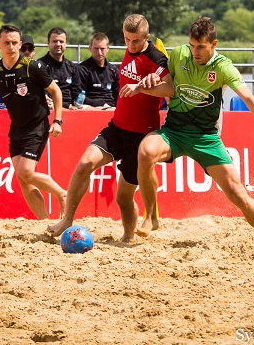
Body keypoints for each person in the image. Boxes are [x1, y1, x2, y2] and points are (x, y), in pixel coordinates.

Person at [121, 16, 254, 247]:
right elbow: (164, 80)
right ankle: (151, 217)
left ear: (214, 44)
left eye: (200, 47)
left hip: (206, 138)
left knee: (238, 194)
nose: (195, 51)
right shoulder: (180, 54)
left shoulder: (223, 66)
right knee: (146, 151)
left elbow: (248, 98)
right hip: (174, 131)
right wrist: (149, 79)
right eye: (192, 45)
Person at [47, 15, 174, 242]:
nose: (131, 46)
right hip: (117, 127)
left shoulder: (156, 57)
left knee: (123, 199)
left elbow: (170, 90)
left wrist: (141, 88)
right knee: (85, 163)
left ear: (147, 37)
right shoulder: (129, 48)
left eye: (136, 41)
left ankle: (130, 235)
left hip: (142, 136)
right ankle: (67, 219)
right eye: (127, 40)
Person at [0, 24, 67, 219]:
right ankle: (44, 222)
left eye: (14, 43)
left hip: (37, 124)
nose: (11, 47)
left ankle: (63, 194)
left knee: (26, 172)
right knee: (23, 179)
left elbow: (56, 91)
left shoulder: (32, 67)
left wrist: (58, 121)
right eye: (6, 43)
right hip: (16, 128)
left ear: (20, 44)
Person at [38, 27, 82, 109]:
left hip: (72, 108)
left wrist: (76, 105)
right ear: (48, 43)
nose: (58, 44)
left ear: (66, 44)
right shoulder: (40, 66)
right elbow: (43, 95)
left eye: (61, 41)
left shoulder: (72, 67)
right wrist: (66, 107)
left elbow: (77, 93)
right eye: (55, 41)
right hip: (50, 108)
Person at [77, 32, 119, 110]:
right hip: (90, 106)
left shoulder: (114, 70)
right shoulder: (82, 69)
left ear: (107, 49)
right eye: (96, 49)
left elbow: (118, 96)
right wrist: (101, 105)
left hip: (111, 107)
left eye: (102, 49)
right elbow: (79, 96)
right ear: (90, 48)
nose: (99, 53)